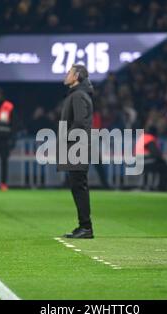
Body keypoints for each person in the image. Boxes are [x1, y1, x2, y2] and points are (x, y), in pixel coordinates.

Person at [59, 64, 94, 239]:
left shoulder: (79, 95)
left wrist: (66, 139)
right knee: (77, 186)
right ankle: (83, 226)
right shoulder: (78, 94)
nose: (66, 75)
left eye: (69, 72)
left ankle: (86, 227)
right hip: (77, 146)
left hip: (77, 147)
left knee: (79, 186)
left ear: (77, 76)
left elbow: (80, 122)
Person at [135, 126, 167, 190]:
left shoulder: (143, 137)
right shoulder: (150, 139)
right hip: (146, 163)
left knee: (162, 165)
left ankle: (150, 185)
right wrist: (163, 159)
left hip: (139, 163)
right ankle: (161, 188)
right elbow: (156, 154)